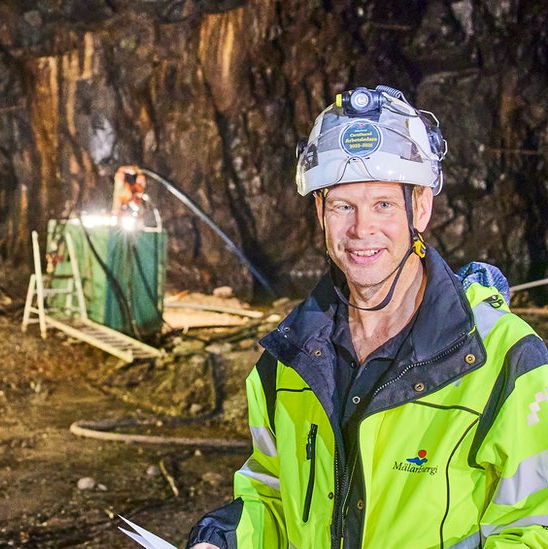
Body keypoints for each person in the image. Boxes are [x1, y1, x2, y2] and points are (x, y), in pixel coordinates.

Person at [187, 85, 548, 548]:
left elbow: (533, 528)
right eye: (342, 205)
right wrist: (222, 541)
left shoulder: (505, 361)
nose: (361, 229)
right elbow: (272, 496)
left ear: (421, 206)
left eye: (382, 204)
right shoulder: (285, 363)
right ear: (320, 210)